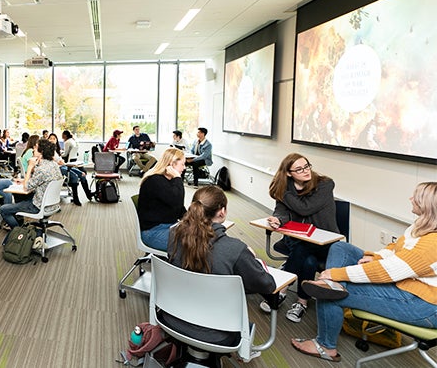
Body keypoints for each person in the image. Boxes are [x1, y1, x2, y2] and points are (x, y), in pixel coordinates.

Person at [290, 182, 437, 362]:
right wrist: (376, 257)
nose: (410, 199)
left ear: (427, 206)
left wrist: (338, 274)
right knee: (341, 247)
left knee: (330, 293)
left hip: (423, 305)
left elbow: (388, 271)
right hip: (406, 285)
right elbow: (395, 247)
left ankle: (326, 346)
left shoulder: (433, 244)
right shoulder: (420, 226)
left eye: (416, 197)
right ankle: (332, 285)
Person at [165, 186, 276, 346]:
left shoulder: (173, 234)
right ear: (222, 211)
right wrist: (249, 258)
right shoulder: (235, 249)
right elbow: (267, 285)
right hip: (216, 332)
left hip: (173, 317)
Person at [262, 153, 338, 323]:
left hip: (325, 243)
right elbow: (282, 210)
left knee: (303, 250)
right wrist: (278, 219)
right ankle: (302, 302)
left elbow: (305, 209)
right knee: (308, 260)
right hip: (298, 240)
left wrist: (283, 192)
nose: (306, 171)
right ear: (288, 173)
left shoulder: (325, 184)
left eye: (307, 166)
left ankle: (282, 289)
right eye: (299, 169)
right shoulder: (286, 188)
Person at [0, 138, 63, 249]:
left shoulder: (41, 169)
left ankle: (21, 232)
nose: (33, 150)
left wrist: (30, 167)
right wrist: (25, 181)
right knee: (19, 197)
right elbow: (40, 181)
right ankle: (23, 229)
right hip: (52, 204)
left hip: (39, 206)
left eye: (35, 148)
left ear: (41, 152)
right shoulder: (54, 165)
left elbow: (27, 187)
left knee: (4, 209)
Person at [137, 148, 187, 250]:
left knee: (200, 236)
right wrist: (177, 177)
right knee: (194, 246)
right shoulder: (155, 181)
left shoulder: (168, 181)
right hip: (153, 231)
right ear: (171, 164)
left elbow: (178, 207)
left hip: (168, 226)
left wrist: (194, 221)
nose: (184, 168)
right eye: (182, 164)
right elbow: (176, 200)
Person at [48, 133, 92, 206]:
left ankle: (89, 194)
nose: (52, 140)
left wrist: (61, 162)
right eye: (50, 138)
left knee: (82, 174)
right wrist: (60, 162)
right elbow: (54, 160)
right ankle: (75, 198)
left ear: (56, 140)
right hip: (57, 168)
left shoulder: (55, 149)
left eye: (54, 138)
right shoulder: (48, 149)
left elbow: (61, 161)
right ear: (48, 140)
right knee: (74, 177)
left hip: (63, 166)